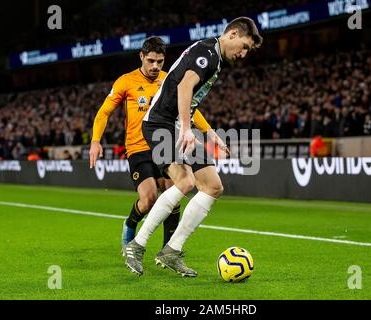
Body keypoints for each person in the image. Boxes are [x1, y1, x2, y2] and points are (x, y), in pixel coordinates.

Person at [124, 17, 263, 277]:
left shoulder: (215, 56)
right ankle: (137, 245)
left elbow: (192, 98)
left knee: (213, 186)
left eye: (248, 51)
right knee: (186, 182)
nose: (243, 54)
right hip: (160, 123)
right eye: (244, 46)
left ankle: (171, 250)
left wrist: (208, 133)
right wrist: (187, 129)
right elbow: (185, 86)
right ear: (232, 34)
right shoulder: (208, 54)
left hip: (177, 125)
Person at [89, 36, 213, 253]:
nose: (156, 66)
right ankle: (130, 224)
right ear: (142, 57)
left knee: (174, 191)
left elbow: (191, 108)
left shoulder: (169, 80)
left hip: (163, 143)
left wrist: (208, 131)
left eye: (160, 61)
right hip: (138, 148)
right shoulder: (125, 81)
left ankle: (168, 250)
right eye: (151, 61)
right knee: (148, 199)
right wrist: (95, 141)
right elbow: (104, 112)